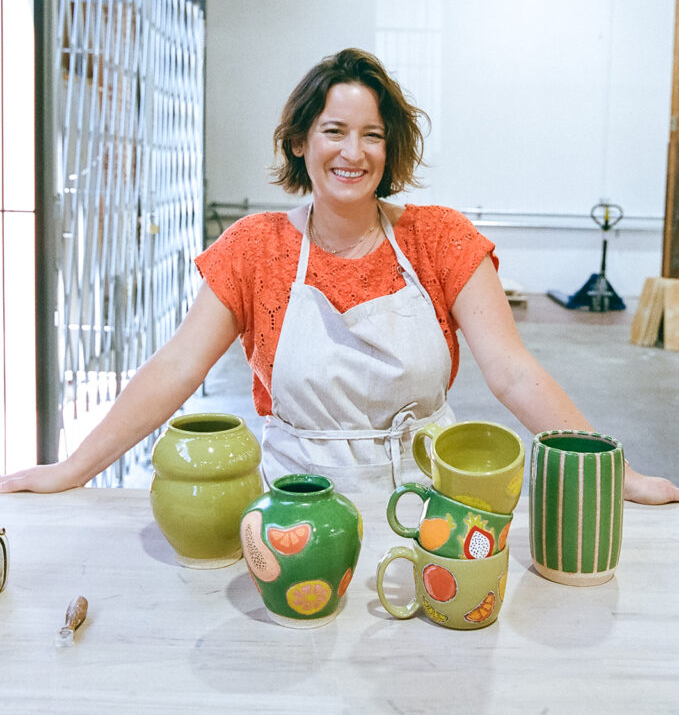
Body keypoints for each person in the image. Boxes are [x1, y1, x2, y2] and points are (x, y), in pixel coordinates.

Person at [1, 48, 677, 503]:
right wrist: (71, 471)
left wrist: (613, 474)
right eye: (333, 131)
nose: (353, 153)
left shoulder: (439, 238)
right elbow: (176, 369)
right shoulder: (254, 248)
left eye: (373, 135)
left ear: (391, 149)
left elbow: (512, 372)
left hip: (431, 504)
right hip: (301, 511)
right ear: (299, 141)